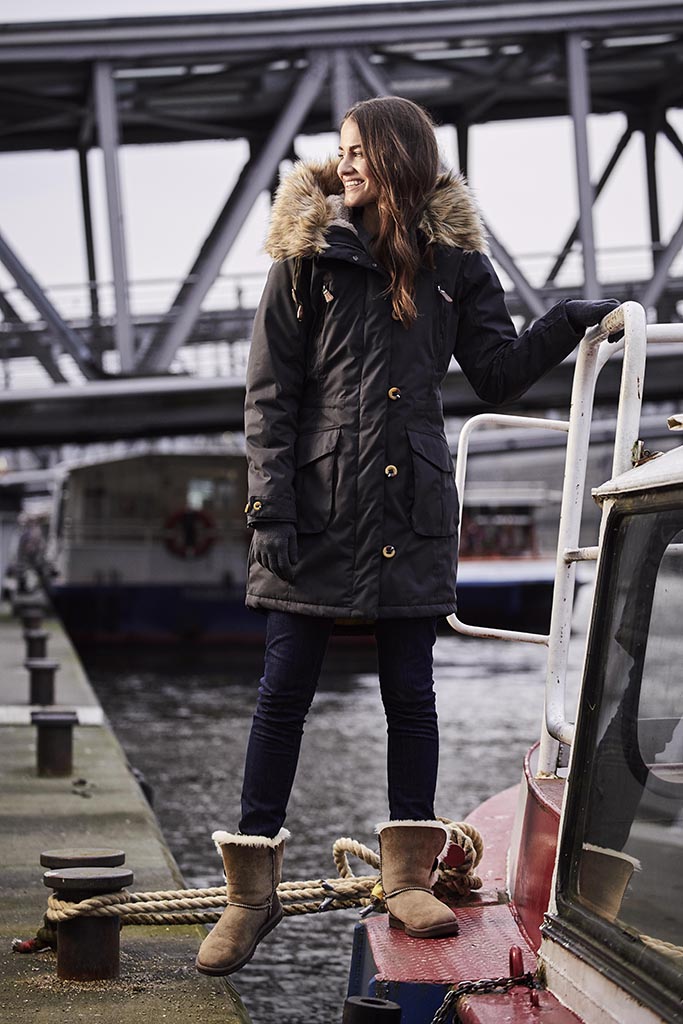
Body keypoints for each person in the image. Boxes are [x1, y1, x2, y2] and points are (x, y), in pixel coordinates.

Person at [196, 96, 618, 976]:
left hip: (411, 510)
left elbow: (494, 373)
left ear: (396, 158)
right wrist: (270, 509)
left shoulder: (455, 265)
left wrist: (562, 322)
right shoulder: (306, 257)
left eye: (358, 150)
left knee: (411, 696)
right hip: (315, 507)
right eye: (340, 150)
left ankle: (408, 881)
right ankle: (249, 896)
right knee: (281, 696)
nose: (344, 163)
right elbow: (270, 398)